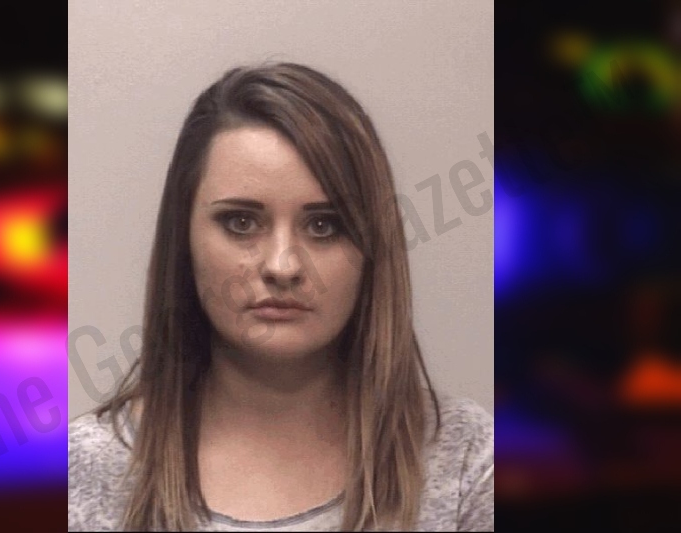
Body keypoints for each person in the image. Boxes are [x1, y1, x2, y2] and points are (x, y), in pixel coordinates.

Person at [68, 62, 493, 532]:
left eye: (324, 225)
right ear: (183, 238)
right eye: (241, 222)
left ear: (372, 248)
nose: (283, 265)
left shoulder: (467, 461)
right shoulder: (82, 470)